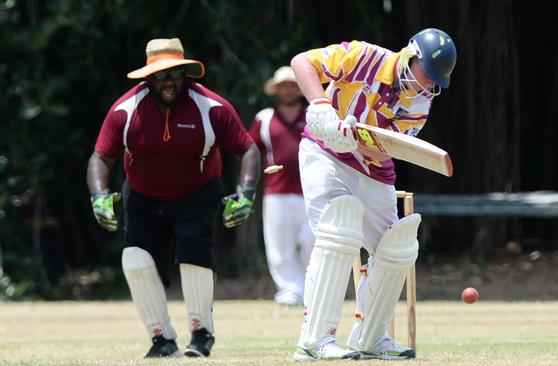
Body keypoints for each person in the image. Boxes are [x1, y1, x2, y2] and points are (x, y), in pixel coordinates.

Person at [86, 38, 260, 359]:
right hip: (141, 195)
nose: (168, 82)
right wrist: (98, 196)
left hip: (198, 191)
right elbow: (100, 158)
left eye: (174, 73)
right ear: (148, 78)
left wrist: (246, 194)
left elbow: (247, 148)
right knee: (135, 259)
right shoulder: (125, 111)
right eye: (160, 75)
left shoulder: (211, 107)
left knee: (193, 246)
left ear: (185, 74)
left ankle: (201, 333)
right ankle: (162, 339)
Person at [289, 28, 457, 361]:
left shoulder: (419, 103)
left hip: (372, 168)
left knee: (398, 248)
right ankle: (314, 340)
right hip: (323, 152)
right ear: (411, 56)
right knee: (339, 233)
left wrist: (355, 140)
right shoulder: (364, 56)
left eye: (434, 82)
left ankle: (370, 337)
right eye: (426, 75)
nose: (426, 86)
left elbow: (383, 152)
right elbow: (301, 63)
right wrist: (323, 110)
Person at [249, 66, 314, 307]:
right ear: (277, 90)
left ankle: (311, 290)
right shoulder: (264, 118)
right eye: (283, 86)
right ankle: (289, 290)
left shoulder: (312, 114)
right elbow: (251, 151)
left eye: (292, 85)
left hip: (311, 191)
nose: (288, 90)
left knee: (312, 241)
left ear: (299, 88)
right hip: (276, 192)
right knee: (279, 245)